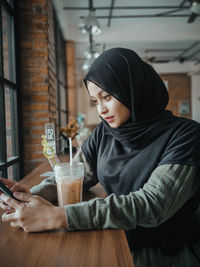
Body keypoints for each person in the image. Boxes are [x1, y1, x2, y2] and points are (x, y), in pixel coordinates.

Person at [0, 47, 200, 267]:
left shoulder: (186, 135)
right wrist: (29, 196)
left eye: (107, 96)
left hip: (163, 253)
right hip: (113, 237)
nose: (101, 110)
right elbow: (77, 174)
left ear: (133, 88)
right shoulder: (105, 132)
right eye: (95, 101)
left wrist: (57, 216)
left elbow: (151, 205)